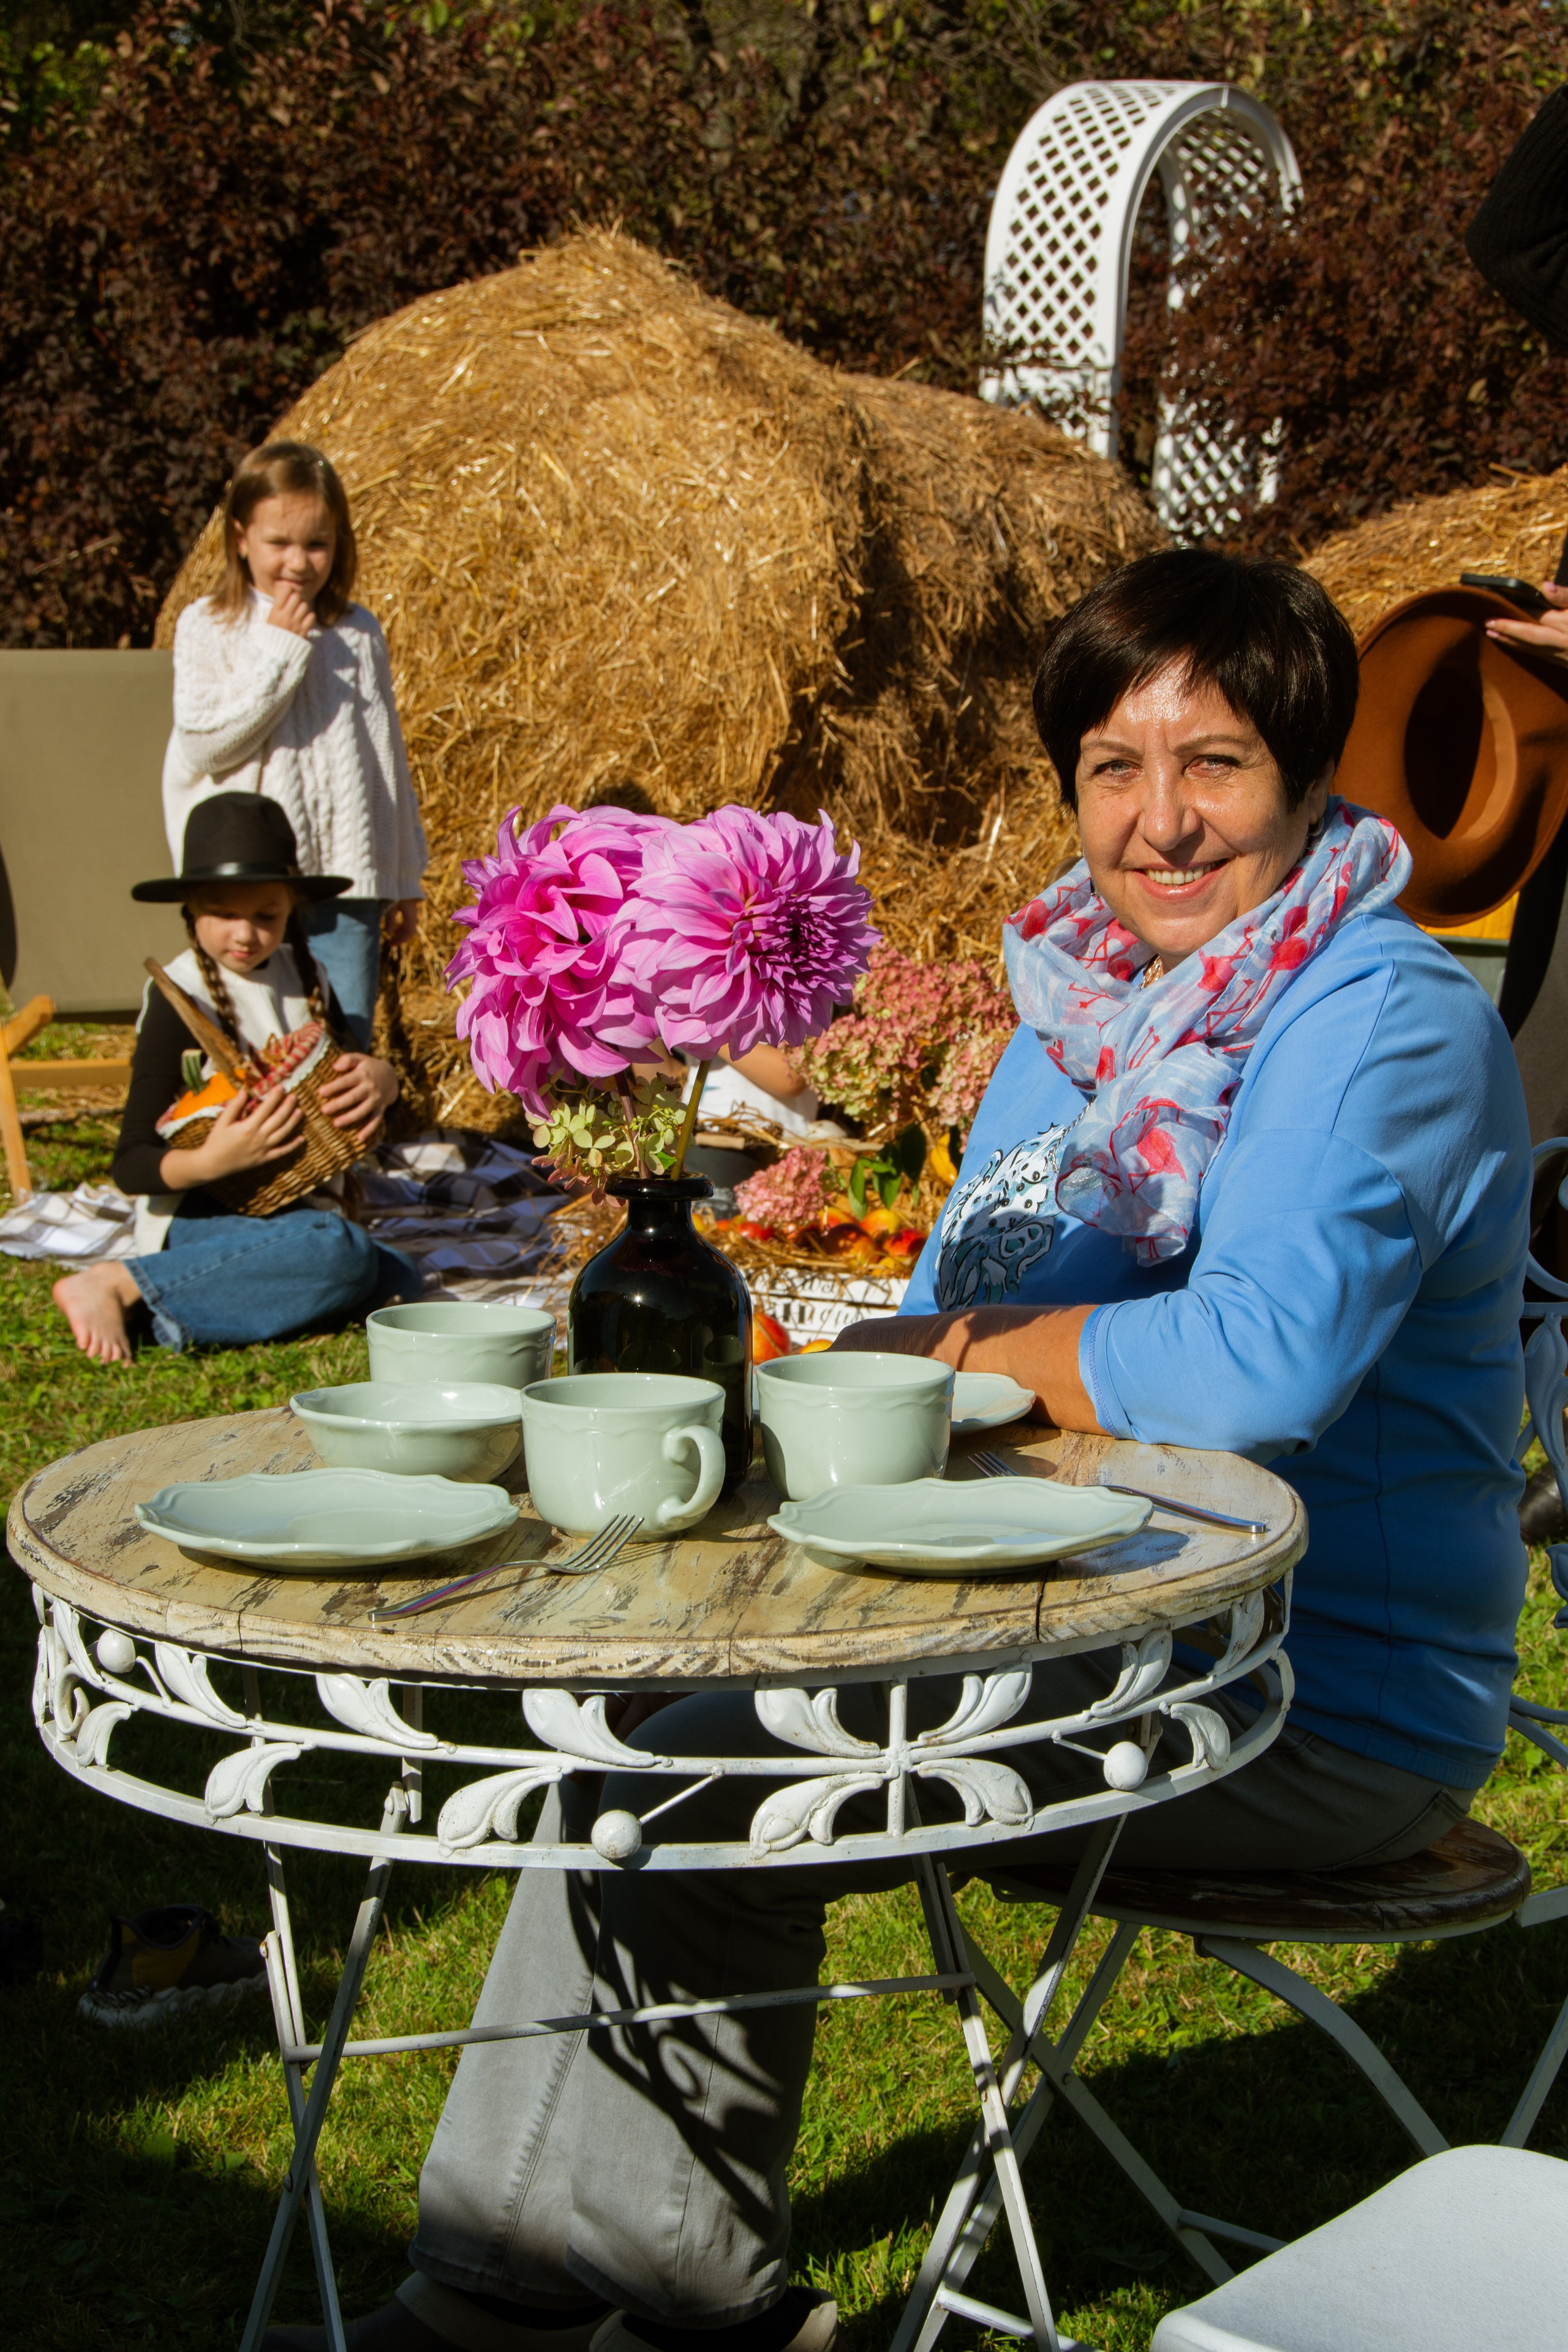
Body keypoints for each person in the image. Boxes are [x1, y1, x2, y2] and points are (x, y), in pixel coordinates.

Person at [268, 554, 1531, 2352]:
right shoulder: (1087, 1014)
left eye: (1217, 761)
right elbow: (969, 1278)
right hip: (1064, 1613)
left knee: (702, 1771)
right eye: (1112, 763)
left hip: (1314, 1696)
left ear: (1309, 772)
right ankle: (551, 2285)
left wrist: (930, 1346)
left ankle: (581, 2302)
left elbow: (1259, 1362)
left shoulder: (1376, 1020)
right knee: (656, 1722)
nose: (1160, 820)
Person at [54, 793, 417, 1363]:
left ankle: (176, 1310)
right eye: (224, 913)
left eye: (266, 915)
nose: (245, 934)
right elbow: (131, 1163)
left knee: (401, 1282)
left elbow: (344, 1086)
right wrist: (211, 1162)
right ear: (191, 909)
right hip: (202, 1212)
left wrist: (384, 1081)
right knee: (341, 1255)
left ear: (291, 909)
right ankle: (120, 1283)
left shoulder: (307, 973)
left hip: (292, 1210)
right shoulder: (181, 999)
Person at [162, 439, 428, 1049]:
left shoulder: (358, 632)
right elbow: (206, 746)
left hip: (348, 880)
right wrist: (279, 651)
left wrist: (402, 873)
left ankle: (347, 1151)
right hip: (250, 891)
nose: (299, 563)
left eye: (317, 544)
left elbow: (385, 761)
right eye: (278, 543)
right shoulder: (209, 625)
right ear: (240, 538)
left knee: (343, 1049)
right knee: (256, 1046)